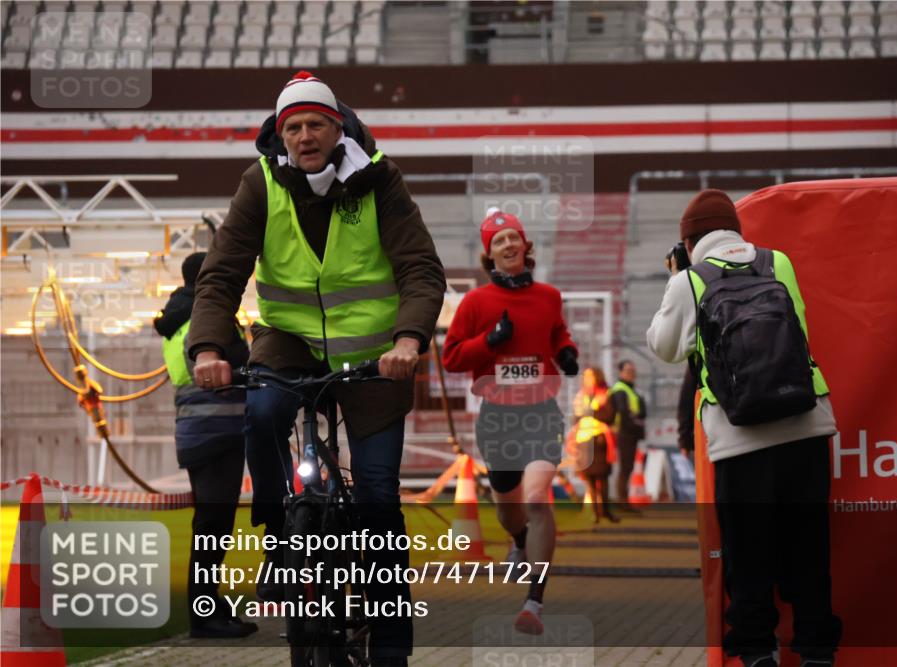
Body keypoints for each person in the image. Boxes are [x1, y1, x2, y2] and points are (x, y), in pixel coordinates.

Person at [187, 71, 446, 665]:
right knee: (262, 412)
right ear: (281, 135)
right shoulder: (260, 183)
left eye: (316, 125)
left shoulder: (379, 179)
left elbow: (420, 269)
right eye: (294, 127)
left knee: (378, 498)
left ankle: (391, 647)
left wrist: (408, 341)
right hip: (289, 340)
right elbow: (221, 275)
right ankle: (280, 536)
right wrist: (206, 350)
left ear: (338, 128)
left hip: (376, 355)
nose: (305, 136)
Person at [646, 189, 842, 667]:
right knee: (808, 548)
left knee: (748, 554)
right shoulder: (779, 262)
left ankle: (757, 653)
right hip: (806, 425)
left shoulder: (690, 280)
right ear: (736, 230)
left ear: (688, 242)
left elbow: (665, 347)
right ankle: (817, 650)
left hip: (740, 438)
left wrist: (676, 279)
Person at [442, 208, 579, 635]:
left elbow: (557, 332)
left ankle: (534, 603)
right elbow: (451, 357)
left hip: (541, 413)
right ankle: (518, 541)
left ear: (524, 244)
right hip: (498, 417)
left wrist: (566, 352)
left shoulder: (549, 296)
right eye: (498, 241)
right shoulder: (475, 302)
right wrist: (490, 342)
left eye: (513, 237)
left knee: (537, 500)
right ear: (490, 254)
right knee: (508, 512)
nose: (508, 245)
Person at [154, 252, 257, 639]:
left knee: (209, 524)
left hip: (198, 430)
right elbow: (242, 366)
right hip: (217, 431)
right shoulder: (206, 318)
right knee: (213, 527)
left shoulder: (177, 317)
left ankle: (209, 604)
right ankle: (204, 614)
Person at [570, 367, 620, 525]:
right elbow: (575, 418)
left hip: (599, 439)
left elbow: (609, 416)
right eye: (585, 376)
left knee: (602, 477)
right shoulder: (581, 395)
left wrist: (589, 413)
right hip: (583, 440)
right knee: (588, 478)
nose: (587, 379)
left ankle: (604, 511)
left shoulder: (607, 394)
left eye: (590, 376)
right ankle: (595, 512)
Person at [609, 359, 647, 511]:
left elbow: (641, 412)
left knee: (628, 467)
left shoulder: (631, 390)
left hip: (630, 433)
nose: (632, 374)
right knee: (625, 467)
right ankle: (622, 501)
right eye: (628, 371)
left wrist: (636, 417)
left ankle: (623, 500)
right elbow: (624, 412)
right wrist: (636, 419)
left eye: (633, 371)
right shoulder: (620, 389)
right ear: (621, 373)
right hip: (624, 433)